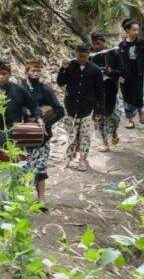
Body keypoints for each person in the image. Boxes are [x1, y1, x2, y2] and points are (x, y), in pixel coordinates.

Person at [21, 61, 65, 208]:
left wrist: (44, 124)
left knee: (40, 166)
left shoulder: (45, 90)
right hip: (22, 134)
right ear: (26, 72)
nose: (36, 73)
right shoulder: (19, 89)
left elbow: (60, 110)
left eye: (38, 70)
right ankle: (22, 198)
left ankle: (41, 200)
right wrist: (23, 111)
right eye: (33, 70)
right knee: (22, 166)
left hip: (42, 136)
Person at [57, 44, 105, 172]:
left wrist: (99, 110)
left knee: (85, 135)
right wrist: (63, 69)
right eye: (79, 56)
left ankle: (82, 159)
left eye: (84, 56)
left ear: (89, 54)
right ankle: (69, 157)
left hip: (87, 108)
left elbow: (100, 91)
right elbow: (60, 82)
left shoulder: (95, 70)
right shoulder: (70, 66)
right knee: (72, 134)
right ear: (75, 54)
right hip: (70, 106)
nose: (81, 58)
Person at [89, 31, 123, 148]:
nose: (96, 46)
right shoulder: (91, 56)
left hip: (112, 89)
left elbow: (122, 71)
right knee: (99, 118)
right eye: (94, 44)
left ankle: (114, 133)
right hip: (97, 91)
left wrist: (111, 72)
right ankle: (104, 143)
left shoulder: (114, 54)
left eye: (98, 43)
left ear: (104, 41)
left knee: (115, 115)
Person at [119, 18, 144, 129]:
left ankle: (141, 115)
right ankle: (130, 120)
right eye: (134, 30)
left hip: (138, 73)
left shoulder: (141, 43)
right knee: (127, 96)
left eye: (137, 30)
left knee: (138, 94)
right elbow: (118, 62)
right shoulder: (121, 46)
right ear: (127, 30)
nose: (136, 32)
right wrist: (119, 75)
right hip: (125, 75)